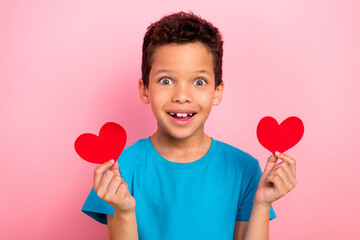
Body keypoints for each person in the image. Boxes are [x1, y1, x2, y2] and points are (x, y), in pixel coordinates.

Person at [81, 11, 297, 240]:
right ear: (145, 89)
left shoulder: (244, 169)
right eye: (166, 81)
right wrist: (124, 211)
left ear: (217, 92)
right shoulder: (121, 168)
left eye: (199, 82)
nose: (182, 96)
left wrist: (262, 204)